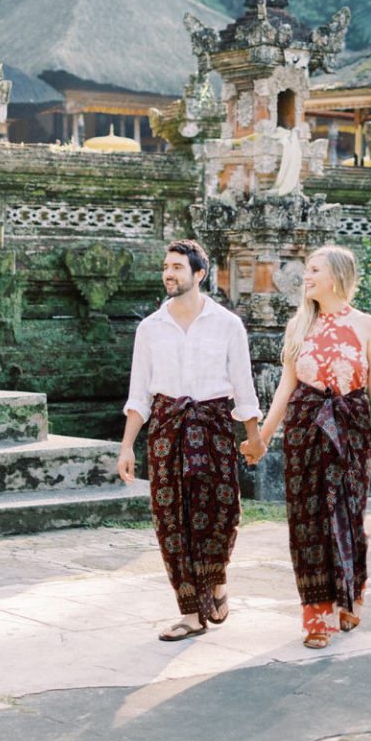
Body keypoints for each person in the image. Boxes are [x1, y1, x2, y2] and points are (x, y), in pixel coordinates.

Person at [240, 244, 371, 649]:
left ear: (337, 276)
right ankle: (316, 616)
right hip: (304, 429)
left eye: (313, 270)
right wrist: (262, 438)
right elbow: (285, 389)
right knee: (308, 521)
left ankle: (349, 596)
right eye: (306, 270)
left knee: (346, 515)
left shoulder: (367, 326)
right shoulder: (299, 326)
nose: (305, 277)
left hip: (351, 427)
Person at [118, 239, 265, 641]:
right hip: (166, 429)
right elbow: (139, 394)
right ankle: (189, 613)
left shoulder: (227, 324)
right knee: (171, 522)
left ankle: (216, 578)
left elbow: (244, 387)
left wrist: (253, 438)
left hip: (213, 424)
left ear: (199, 274)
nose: (169, 273)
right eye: (166, 266)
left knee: (222, 511)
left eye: (178, 267)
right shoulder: (150, 328)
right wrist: (128, 445)